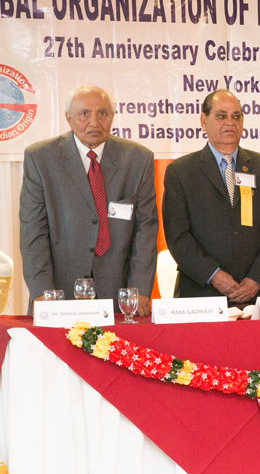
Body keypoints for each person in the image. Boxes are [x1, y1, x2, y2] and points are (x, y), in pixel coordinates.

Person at [19, 85, 157, 314]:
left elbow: (146, 230)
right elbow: (33, 232)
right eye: (84, 114)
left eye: (102, 113)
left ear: (112, 116)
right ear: (69, 118)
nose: (94, 122)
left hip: (119, 295)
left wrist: (140, 291)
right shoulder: (41, 158)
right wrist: (42, 292)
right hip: (58, 296)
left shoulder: (138, 159)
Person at [161, 90, 260, 304]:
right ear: (204, 121)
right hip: (201, 293)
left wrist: (256, 279)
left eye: (236, 116)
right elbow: (177, 235)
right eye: (221, 116)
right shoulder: (181, 172)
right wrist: (214, 275)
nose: (230, 122)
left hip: (255, 295)